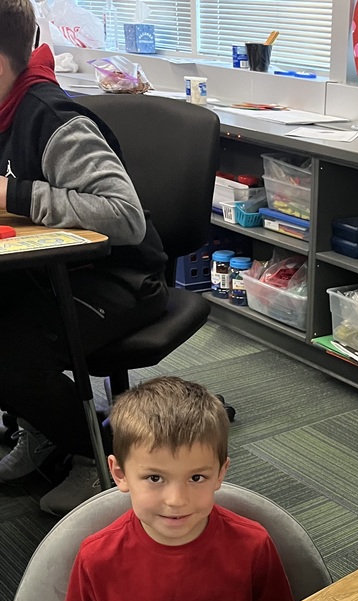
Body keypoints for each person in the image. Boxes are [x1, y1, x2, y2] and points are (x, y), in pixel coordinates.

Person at [0, 0, 168, 514]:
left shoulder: (51, 120)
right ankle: (44, 426)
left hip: (120, 278)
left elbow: (125, 215)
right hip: (51, 269)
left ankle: (94, 453)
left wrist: (15, 196)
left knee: (9, 356)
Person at [57, 376, 294, 601]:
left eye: (196, 478)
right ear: (119, 474)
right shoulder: (97, 556)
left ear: (220, 474)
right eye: (155, 478)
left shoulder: (253, 543)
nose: (176, 500)